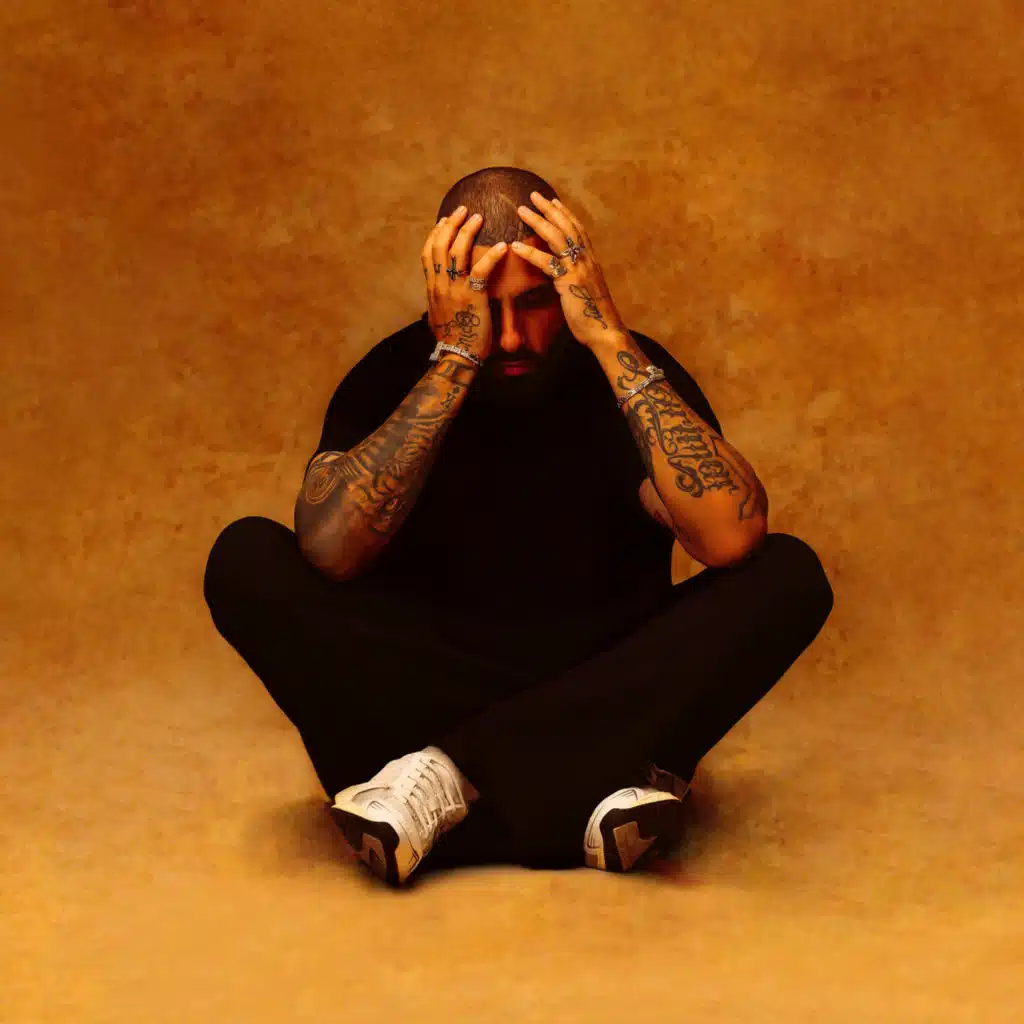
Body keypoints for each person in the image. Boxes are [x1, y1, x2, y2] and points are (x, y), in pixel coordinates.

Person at [203, 167, 834, 888]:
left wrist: (608, 337)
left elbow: (729, 537)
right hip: (427, 688)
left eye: (535, 303)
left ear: (570, 287)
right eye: (482, 305)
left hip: (592, 678)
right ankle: (581, 792)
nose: (509, 336)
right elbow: (330, 552)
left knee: (787, 574)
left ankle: (444, 785)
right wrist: (452, 362)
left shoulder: (622, 373)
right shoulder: (390, 374)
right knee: (244, 557)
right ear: (443, 293)